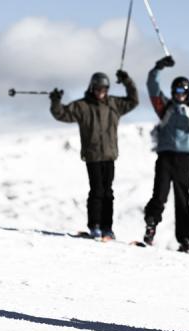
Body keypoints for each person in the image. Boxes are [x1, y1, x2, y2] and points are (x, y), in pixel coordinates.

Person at [49, 70, 139, 240]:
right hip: (93, 156)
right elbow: (61, 114)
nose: (100, 92)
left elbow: (133, 100)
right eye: (98, 89)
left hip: (109, 155)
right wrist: (55, 101)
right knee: (97, 191)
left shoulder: (114, 104)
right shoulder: (82, 106)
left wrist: (127, 81)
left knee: (108, 192)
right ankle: (94, 226)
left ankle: (107, 229)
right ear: (92, 88)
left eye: (104, 89)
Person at [143, 56, 189, 252]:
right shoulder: (164, 107)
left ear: (188, 92)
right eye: (176, 90)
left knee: (183, 199)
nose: (179, 94)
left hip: (184, 159)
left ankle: (184, 239)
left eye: (183, 90)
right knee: (159, 195)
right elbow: (152, 86)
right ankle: (151, 226)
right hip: (165, 157)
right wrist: (158, 67)